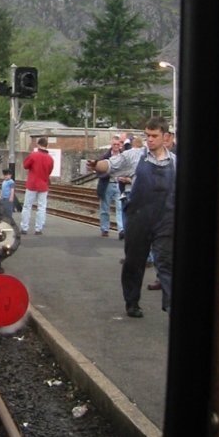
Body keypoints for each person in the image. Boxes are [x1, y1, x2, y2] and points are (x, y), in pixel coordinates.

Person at [87, 116, 176, 319]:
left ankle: (171, 305)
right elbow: (110, 165)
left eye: (154, 136)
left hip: (166, 220)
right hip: (139, 217)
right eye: (147, 136)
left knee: (166, 262)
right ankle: (132, 302)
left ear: (165, 137)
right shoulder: (135, 156)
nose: (150, 140)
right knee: (133, 262)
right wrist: (96, 165)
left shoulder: (176, 163)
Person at [20, 137, 54, 235]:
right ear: (47, 145)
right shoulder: (50, 159)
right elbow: (49, 171)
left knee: (27, 206)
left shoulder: (33, 155)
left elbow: (25, 165)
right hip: (44, 185)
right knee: (42, 207)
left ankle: (24, 228)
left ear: (38, 145)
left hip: (32, 184)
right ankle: (38, 229)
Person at [96, 136, 124, 239]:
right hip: (107, 184)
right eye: (114, 144)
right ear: (111, 145)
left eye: (118, 144)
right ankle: (105, 229)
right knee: (104, 208)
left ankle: (121, 229)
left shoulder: (124, 156)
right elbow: (98, 171)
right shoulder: (105, 157)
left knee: (120, 208)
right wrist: (107, 173)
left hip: (119, 184)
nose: (116, 146)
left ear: (120, 145)